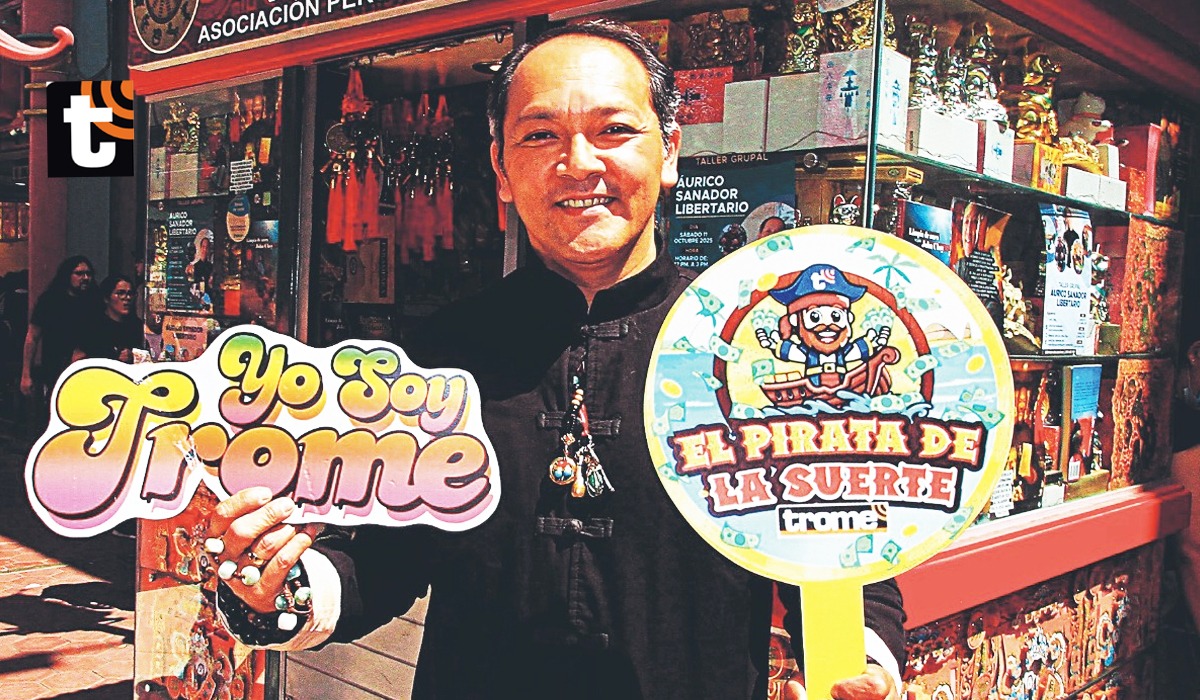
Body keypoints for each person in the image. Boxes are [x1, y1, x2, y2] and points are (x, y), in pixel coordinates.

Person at [208, 20, 906, 700]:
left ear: (668, 153)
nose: (579, 163)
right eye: (540, 134)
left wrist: (861, 663)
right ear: (502, 170)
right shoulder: (438, 359)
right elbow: (386, 562)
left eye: (614, 130)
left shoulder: (754, 346)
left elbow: (834, 553)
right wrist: (278, 587)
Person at [20, 255, 100, 406]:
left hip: (87, 370)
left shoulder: (95, 300)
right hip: (55, 368)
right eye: (79, 273)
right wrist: (26, 374)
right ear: (67, 275)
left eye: (88, 274)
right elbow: (32, 336)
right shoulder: (50, 300)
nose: (85, 278)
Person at [75, 274, 144, 363]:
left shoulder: (136, 325)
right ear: (106, 298)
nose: (127, 298)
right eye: (120, 293)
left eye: (130, 294)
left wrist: (133, 356)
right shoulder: (93, 325)